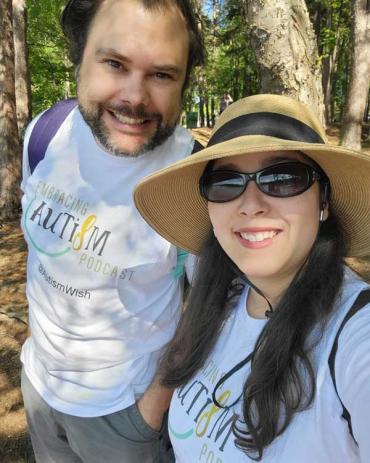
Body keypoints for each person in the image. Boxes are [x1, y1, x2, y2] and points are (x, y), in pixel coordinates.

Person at [134, 94, 370, 462]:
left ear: (323, 199)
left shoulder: (356, 339)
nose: (250, 203)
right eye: (226, 182)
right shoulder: (220, 286)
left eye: (282, 178)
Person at [20, 0, 204, 462]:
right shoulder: (45, 133)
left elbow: (212, 304)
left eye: (162, 75)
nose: (135, 97)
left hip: (126, 410)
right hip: (40, 384)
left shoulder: (193, 182)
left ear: (183, 85)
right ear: (80, 56)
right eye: (114, 63)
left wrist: (153, 406)